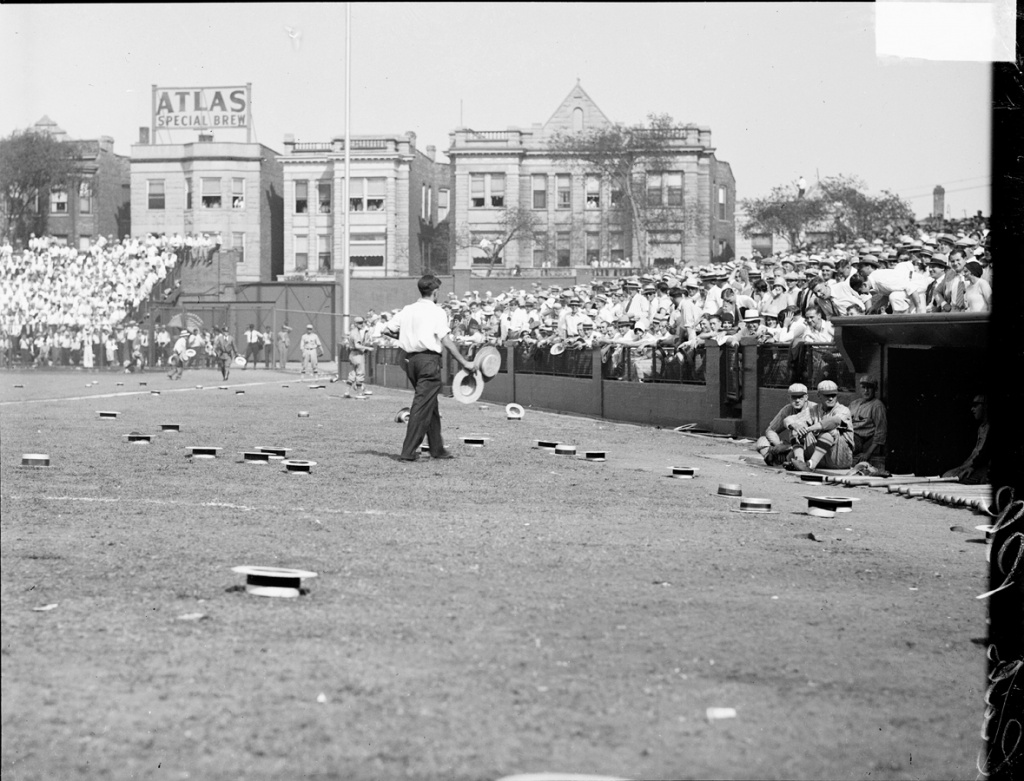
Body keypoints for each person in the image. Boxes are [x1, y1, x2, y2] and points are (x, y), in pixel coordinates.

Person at [383, 274, 475, 461]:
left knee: (429, 403)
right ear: (435, 292)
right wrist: (464, 362)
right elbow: (445, 340)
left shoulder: (407, 310)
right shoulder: (437, 311)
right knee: (421, 405)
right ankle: (408, 452)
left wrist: (404, 338)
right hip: (428, 361)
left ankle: (437, 449)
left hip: (410, 361)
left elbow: (385, 330)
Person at [788, 380, 854, 472]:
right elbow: (788, 420)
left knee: (830, 432)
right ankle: (800, 462)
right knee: (796, 429)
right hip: (821, 458)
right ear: (819, 395)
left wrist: (809, 429)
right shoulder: (814, 409)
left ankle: (810, 465)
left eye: (833, 395)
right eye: (827, 395)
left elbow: (834, 421)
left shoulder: (843, 410)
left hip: (839, 458)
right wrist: (795, 426)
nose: (831, 398)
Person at [755, 383, 820, 467]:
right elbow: (771, 430)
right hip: (792, 446)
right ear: (789, 398)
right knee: (761, 442)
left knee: (797, 432)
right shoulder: (787, 410)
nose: (797, 400)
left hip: (810, 447)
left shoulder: (815, 408)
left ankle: (793, 461)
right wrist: (778, 445)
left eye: (800, 397)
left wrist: (789, 447)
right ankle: (775, 460)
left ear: (806, 397)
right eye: (794, 397)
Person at [942, 394, 990, 484]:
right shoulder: (981, 428)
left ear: (985, 406)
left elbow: (984, 454)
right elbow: (975, 453)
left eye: (975, 405)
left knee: (951, 478)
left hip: (985, 469)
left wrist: (970, 467)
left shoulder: (990, 427)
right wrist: (963, 467)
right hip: (976, 466)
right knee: (947, 476)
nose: (972, 409)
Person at [848, 375, 887, 468]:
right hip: (846, 432)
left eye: (869, 388)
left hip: (857, 439)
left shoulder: (877, 406)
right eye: (864, 387)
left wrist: (868, 453)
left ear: (875, 389)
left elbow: (881, 431)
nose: (866, 391)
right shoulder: (854, 403)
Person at [343, 316, 372, 398]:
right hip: (357, 354)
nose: (361, 324)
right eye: (359, 323)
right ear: (355, 324)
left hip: (352, 354)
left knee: (352, 374)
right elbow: (357, 345)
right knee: (360, 373)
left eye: (362, 322)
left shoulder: (354, 331)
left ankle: (346, 392)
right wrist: (367, 348)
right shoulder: (355, 332)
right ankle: (359, 393)